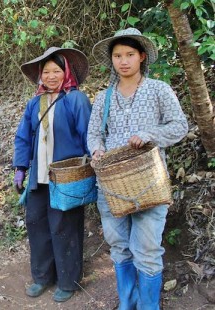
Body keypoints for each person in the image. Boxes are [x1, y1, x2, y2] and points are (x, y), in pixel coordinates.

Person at [87, 28, 188, 310]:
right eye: (118, 55)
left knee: (147, 250)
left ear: (142, 57)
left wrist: (149, 134)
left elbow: (179, 126)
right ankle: (127, 304)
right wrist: (96, 149)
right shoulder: (103, 98)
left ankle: (148, 306)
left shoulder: (159, 90)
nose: (124, 61)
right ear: (112, 60)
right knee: (119, 247)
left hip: (149, 185)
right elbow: (94, 133)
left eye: (130, 54)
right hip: (110, 185)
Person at [12, 47, 92, 302]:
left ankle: (68, 280)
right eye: (46, 71)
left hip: (66, 178)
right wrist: (20, 169)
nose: (51, 76)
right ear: (40, 76)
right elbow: (23, 137)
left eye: (57, 70)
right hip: (39, 178)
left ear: (66, 72)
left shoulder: (76, 100)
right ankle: (42, 277)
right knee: (37, 225)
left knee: (65, 226)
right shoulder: (35, 102)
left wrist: (92, 169)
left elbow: (88, 136)